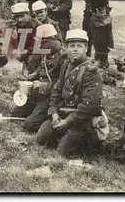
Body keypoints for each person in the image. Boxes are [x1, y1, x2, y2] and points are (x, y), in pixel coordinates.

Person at [35, 29, 103, 158]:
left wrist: (67, 122)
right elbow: (56, 91)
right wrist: (54, 112)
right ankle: (65, 135)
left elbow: (90, 105)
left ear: (86, 48)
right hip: (63, 113)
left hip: (83, 120)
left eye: (79, 46)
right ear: (66, 48)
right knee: (40, 138)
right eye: (72, 46)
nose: (75, 49)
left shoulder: (92, 72)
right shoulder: (66, 66)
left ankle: (81, 140)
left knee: (62, 152)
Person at [12, 24, 67, 132]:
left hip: (51, 98)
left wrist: (43, 86)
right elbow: (41, 69)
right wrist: (30, 77)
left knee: (29, 125)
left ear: (51, 40)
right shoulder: (47, 52)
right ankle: (37, 113)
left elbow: (64, 85)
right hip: (39, 93)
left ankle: (47, 117)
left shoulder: (64, 58)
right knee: (15, 113)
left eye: (41, 41)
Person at [81, 0, 114, 69]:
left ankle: (102, 60)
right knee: (88, 36)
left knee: (101, 38)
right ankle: (92, 58)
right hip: (89, 15)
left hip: (100, 17)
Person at [9, 2, 41, 70]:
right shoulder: (14, 26)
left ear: (28, 14)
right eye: (17, 17)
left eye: (22, 16)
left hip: (34, 54)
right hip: (19, 53)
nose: (19, 19)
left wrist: (22, 53)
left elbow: (37, 46)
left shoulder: (37, 25)